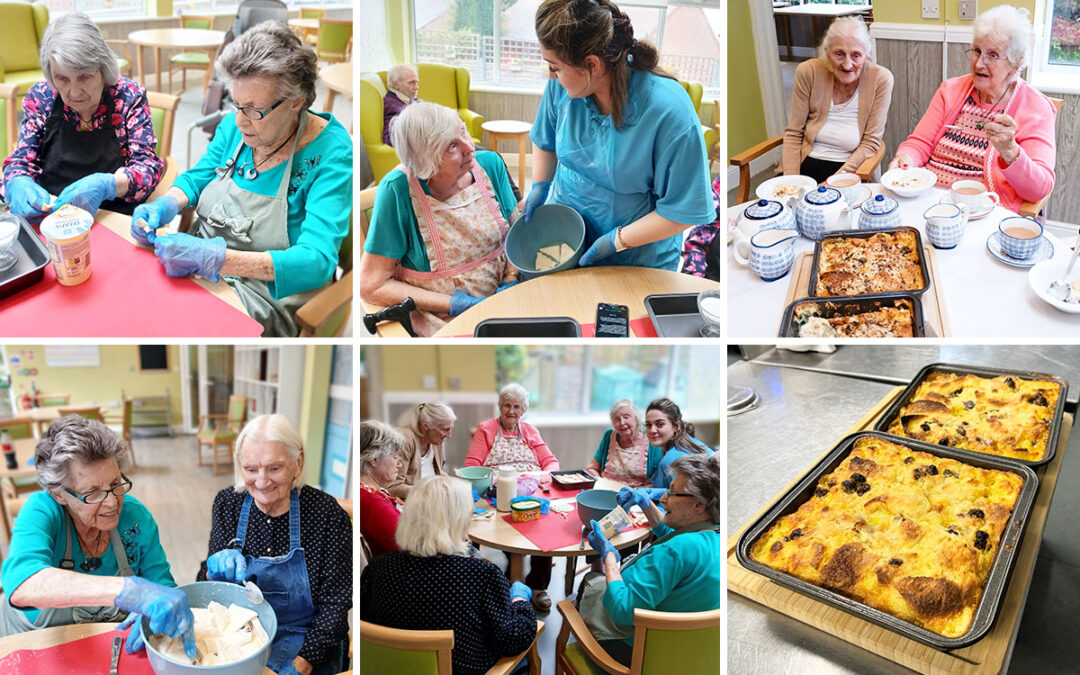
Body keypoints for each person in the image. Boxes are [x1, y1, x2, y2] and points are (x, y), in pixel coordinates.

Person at [131, 21, 352, 337]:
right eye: (235, 103)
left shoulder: (330, 152)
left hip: (266, 294)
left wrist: (217, 259)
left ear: (296, 101)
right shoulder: (238, 125)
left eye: (253, 110)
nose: (239, 120)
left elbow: (317, 262)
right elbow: (200, 176)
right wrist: (168, 201)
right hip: (199, 266)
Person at [526, 0, 714, 270]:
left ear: (592, 64)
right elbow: (545, 140)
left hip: (635, 256)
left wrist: (616, 241)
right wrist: (540, 186)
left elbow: (683, 211)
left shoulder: (668, 111)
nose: (551, 75)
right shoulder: (566, 88)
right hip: (566, 237)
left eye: (555, 67)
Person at [0, 416, 195, 660]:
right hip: (31, 648)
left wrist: (156, 613)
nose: (112, 502)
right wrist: (128, 590)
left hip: (105, 649)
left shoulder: (135, 519)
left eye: (115, 484)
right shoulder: (42, 511)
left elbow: (162, 585)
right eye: (92, 493)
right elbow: (22, 584)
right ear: (58, 494)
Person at [199, 414, 351, 675]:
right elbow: (209, 590)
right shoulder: (228, 504)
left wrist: (302, 664)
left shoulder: (327, 515)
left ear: (298, 463)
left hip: (309, 642)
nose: (261, 481)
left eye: (274, 468)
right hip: (241, 637)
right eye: (250, 469)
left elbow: (336, 605)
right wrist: (212, 571)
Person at [360, 102, 520, 336]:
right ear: (426, 159)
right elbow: (372, 284)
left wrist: (510, 277)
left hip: (506, 299)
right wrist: (456, 303)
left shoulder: (490, 164)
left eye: (463, 131)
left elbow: (518, 231)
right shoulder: (398, 190)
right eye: (452, 146)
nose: (469, 148)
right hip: (444, 319)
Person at [360, 476, 538, 675]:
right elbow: (514, 639)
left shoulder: (377, 569)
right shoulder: (481, 576)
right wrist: (520, 600)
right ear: (458, 522)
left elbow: (367, 627)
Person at [889, 5, 1055, 213]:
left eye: (993, 55)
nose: (978, 64)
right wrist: (905, 158)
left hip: (982, 210)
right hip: (930, 201)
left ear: (1016, 64)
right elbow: (920, 143)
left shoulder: (1036, 108)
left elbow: (1039, 188)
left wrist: (1011, 153)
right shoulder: (950, 90)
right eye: (977, 51)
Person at [2, 13, 163, 219]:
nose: (75, 92)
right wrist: (18, 182)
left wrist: (109, 185)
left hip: (109, 215)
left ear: (103, 69)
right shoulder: (41, 97)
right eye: (62, 78)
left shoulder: (129, 97)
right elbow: (21, 161)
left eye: (85, 77)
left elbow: (148, 167)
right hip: (50, 215)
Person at [584, 453, 721, 665]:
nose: (664, 498)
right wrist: (646, 504)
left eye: (673, 493)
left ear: (699, 505)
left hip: (638, 653)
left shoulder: (674, 552)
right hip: (687, 653)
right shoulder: (713, 536)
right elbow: (673, 534)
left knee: (592, 581)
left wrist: (609, 559)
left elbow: (623, 612)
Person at [466, 383, 559, 610]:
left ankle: (537, 586)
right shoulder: (487, 429)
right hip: (500, 490)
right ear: (500, 406)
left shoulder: (529, 430)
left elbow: (550, 461)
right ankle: (513, 575)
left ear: (523, 409)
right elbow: (472, 464)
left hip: (530, 486)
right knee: (512, 527)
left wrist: (546, 476)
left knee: (544, 528)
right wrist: (493, 479)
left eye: (517, 406)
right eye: (507, 405)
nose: (511, 411)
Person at [782, 16, 894, 183]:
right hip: (805, 163)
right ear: (827, 53)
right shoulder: (808, 72)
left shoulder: (880, 79)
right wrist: (791, 183)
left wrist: (831, 183)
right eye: (839, 54)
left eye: (856, 55)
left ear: (866, 55)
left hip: (849, 169)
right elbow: (793, 133)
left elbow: (870, 143)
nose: (847, 64)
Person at [387, 402, 456, 500]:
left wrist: (457, 485)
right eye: (445, 429)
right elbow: (392, 487)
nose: (449, 435)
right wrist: (429, 491)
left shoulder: (435, 440)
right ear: (426, 426)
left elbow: (436, 472)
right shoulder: (404, 440)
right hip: (409, 504)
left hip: (430, 499)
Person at [358, 420, 405, 557]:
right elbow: (409, 544)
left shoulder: (370, 491)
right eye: (395, 458)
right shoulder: (371, 501)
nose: (399, 465)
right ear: (374, 459)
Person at [585, 399, 659, 487]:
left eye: (626, 417)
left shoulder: (651, 439)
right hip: (605, 493)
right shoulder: (609, 435)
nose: (622, 423)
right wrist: (600, 484)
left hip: (636, 496)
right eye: (617, 419)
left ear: (636, 419)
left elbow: (658, 482)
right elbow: (592, 467)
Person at [645, 398, 713, 490]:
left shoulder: (672, 460)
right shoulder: (686, 440)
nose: (652, 430)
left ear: (676, 426)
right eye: (648, 425)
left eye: (660, 424)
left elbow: (682, 499)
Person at [383, 64, 421, 145]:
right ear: (395, 84)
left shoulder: (410, 100)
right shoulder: (391, 105)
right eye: (412, 83)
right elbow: (390, 137)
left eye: (417, 82)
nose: (417, 87)